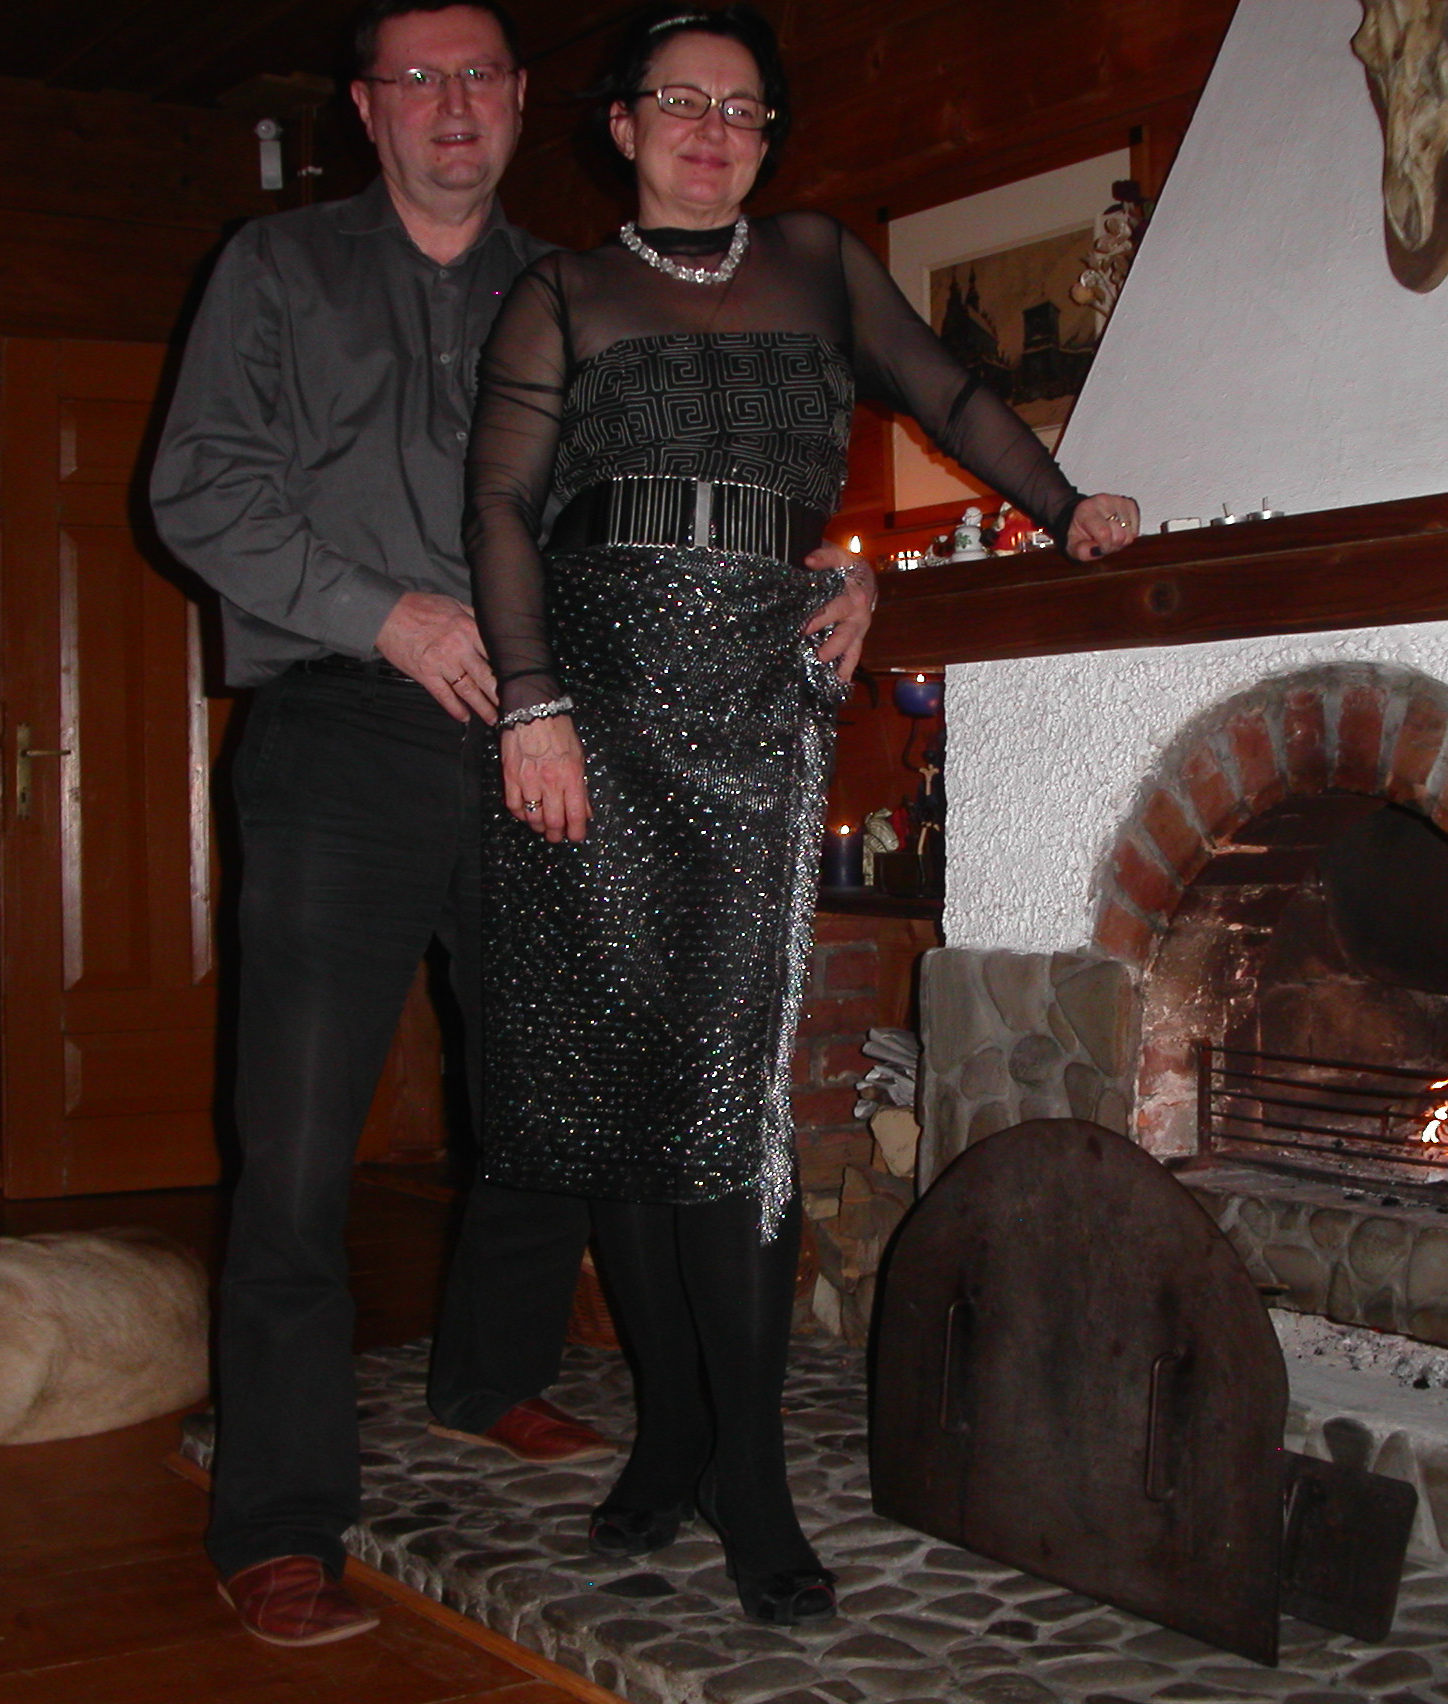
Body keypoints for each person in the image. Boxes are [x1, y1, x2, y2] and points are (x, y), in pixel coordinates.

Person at [463, 2, 1140, 1628]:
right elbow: (499, 505)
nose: (713, 131)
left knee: (728, 1102)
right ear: (621, 125)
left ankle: (749, 1472)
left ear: (769, 138)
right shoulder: (559, 290)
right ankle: (672, 1435)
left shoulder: (822, 259)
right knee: (625, 1090)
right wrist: (532, 705)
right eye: (681, 103)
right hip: (594, 710)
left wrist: (1063, 505)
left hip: (758, 707)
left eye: (744, 110)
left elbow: (951, 397)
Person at [150, 0, 805, 1650]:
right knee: (298, 1145)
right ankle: (280, 1518)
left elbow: (673, 499)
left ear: (522, 102)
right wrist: (387, 614)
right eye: (417, 79)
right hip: (343, 731)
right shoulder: (275, 270)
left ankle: (487, 1373)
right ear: (366, 108)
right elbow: (199, 490)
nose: (452, 103)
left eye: (482, 77)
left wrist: (828, 578)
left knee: (555, 1090)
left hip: (550, 733)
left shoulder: (582, 287)